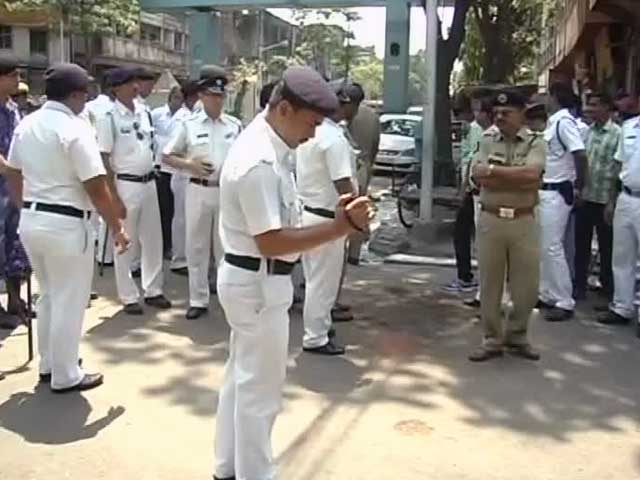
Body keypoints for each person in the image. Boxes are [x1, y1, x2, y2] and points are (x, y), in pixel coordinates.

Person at [213, 66, 373, 480]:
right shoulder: (260, 160)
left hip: (253, 278)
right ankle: (255, 474)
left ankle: (229, 467)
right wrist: (339, 229)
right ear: (284, 109)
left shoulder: (271, 148)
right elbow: (271, 241)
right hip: (259, 279)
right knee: (259, 391)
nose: (314, 134)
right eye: (311, 123)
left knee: (241, 379)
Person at [4, 63, 130, 392]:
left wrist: (23, 205)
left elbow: (13, 171)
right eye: (84, 93)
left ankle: (50, 363)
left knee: (49, 296)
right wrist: (116, 226)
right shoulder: (74, 128)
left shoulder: (27, 123)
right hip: (66, 223)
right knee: (69, 300)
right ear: (75, 95)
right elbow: (95, 184)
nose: (86, 100)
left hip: (33, 219)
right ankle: (65, 373)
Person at [468, 89, 545, 362]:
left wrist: (493, 172)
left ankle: (517, 335)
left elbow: (533, 175)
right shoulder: (487, 139)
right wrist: (511, 177)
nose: (499, 117)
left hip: (524, 220)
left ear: (521, 114)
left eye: (506, 113)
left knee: (527, 286)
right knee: (490, 284)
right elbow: (477, 176)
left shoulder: (536, 142)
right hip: (491, 220)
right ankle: (491, 339)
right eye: (496, 113)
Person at [163, 65, 241, 320]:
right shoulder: (188, 124)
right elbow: (167, 156)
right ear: (202, 96)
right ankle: (198, 299)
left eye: (221, 95)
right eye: (212, 95)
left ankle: (227, 297)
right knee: (196, 247)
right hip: (197, 189)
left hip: (225, 193)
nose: (217, 100)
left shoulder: (235, 125)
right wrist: (190, 165)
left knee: (225, 248)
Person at [96, 67, 172, 315]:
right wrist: (113, 196)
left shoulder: (144, 112)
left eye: (135, 82)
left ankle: (153, 290)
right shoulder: (109, 116)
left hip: (149, 181)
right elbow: (104, 158)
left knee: (153, 239)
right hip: (126, 183)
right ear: (116, 88)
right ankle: (128, 295)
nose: (135, 86)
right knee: (125, 242)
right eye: (129, 83)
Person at [296, 82, 358, 355]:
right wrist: (357, 215)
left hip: (308, 212)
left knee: (314, 280)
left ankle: (319, 324)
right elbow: (343, 182)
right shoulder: (333, 139)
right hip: (326, 218)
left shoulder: (312, 132)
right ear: (345, 106)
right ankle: (316, 336)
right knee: (323, 282)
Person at [538, 82, 588, 322]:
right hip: (546, 190)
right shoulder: (554, 122)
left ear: (554, 96)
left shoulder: (564, 122)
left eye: (547, 95)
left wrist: (578, 186)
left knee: (552, 246)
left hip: (558, 192)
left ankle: (564, 300)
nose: (545, 99)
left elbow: (580, 154)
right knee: (544, 245)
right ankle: (548, 293)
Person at [597, 94, 640, 337]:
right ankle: (622, 307)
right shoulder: (629, 128)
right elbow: (618, 165)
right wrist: (612, 200)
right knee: (622, 257)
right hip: (626, 197)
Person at [574, 92, 620, 301]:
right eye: (589, 105)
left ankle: (607, 288)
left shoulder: (618, 134)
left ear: (606, 107)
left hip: (605, 201)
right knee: (581, 245)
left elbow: (619, 169)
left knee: (607, 246)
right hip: (586, 197)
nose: (590, 109)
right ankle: (579, 286)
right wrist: (578, 189)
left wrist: (612, 201)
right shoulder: (587, 132)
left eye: (594, 105)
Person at [444, 97, 492, 294]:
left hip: (475, 190)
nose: (475, 113)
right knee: (466, 232)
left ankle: (468, 277)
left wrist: (463, 187)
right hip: (473, 188)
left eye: (478, 109)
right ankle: (469, 277)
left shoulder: (479, 131)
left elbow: (473, 159)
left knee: (466, 233)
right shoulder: (477, 129)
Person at [0, 55, 30, 329]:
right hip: (3, 185)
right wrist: (10, 169)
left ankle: (15, 300)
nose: (18, 81)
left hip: (13, 188)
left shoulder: (12, 108)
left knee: (15, 245)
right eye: (13, 76)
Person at [168, 80, 201, 275]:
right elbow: (174, 150)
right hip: (182, 174)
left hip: (192, 175)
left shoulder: (195, 117)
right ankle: (179, 259)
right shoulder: (182, 119)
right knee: (181, 219)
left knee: (191, 220)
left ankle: (189, 257)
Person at [346, 82, 380, 265]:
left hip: (346, 165)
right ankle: (354, 253)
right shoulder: (372, 116)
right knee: (358, 208)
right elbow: (375, 145)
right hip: (364, 166)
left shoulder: (342, 114)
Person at [152, 86, 185, 263]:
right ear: (170, 98)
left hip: (176, 169)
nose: (177, 101)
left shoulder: (186, 117)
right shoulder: (157, 114)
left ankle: (173, 245)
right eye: (175, 97)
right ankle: (163, 245)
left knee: (175, 212)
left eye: (180, 98)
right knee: (163, 210)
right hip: (160, 167)